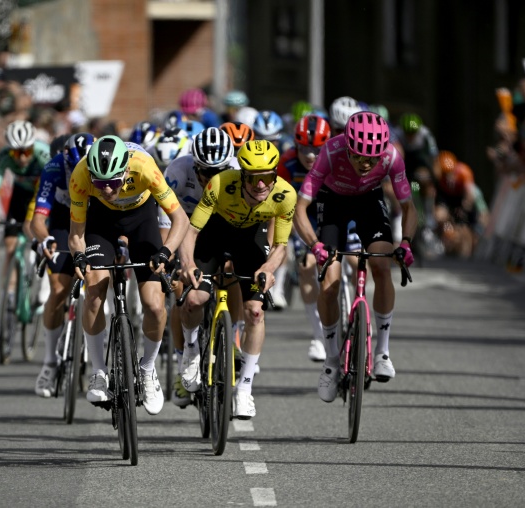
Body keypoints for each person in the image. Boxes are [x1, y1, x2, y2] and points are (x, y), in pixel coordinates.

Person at [292, 111, 417, 402]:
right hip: (333, 203)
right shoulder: (331, 151)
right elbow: (300, 208)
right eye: (359, 156)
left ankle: (382, 351)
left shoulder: (391, 157)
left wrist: (407, 243)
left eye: (372, 159)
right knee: (329, 282)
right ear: (347, 147)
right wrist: (315, 245)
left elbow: (409, 207)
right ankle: (332, 362)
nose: (365, 164)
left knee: (382, 266)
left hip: (369, 202)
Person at [68, 135, 190, 416]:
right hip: (102, 220)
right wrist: (79, 255)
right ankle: (98, 371)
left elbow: (180, 219)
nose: (107, 188)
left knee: (154, 304)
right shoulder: (81, 174)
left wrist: (166, 252)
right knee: (95, 290)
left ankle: (147, 371)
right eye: (100, 183)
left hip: (141, 217)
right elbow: (76, 234)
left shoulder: (145, 167)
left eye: (113, 181)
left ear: (125, 170)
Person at [178, 140, 297, 419]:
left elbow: (281, 246)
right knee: (195, 298)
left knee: (255, 311)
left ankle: (244, 389)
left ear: (275, 175)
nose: (260, 186)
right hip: (214, 235)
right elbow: (192, 232)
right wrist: (187, 265)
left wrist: (268, 267)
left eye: (267, 177)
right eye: (253, 178)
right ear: (242, 174)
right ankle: (191, 350)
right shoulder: (220, 184)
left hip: (250, 241)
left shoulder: (285, 195)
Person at [159, 126, 240, 407]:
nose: (211, 179)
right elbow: (165, 221)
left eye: (219, 172)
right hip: (184, 224)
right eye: (205, 172)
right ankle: (185, 357)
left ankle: (235, 337)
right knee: (182, 290)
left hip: (223, 224)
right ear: (195, 165)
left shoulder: (238, 171)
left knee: (234, 274)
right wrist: (169, 257)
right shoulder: (178, 171)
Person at [28, 133, 94, 397]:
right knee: (57, 291)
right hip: (61, 221)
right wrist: (45, 240)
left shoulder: (100, 166)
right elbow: (38, 220)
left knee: (97, 282)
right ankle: (49, 363)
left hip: (92, 222)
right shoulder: (54, 167)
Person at [0, 120, 51, 338]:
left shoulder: (43, 155)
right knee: (11, 247)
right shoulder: (4, 156)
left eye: (26, 151)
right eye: (17, 153)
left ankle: (42, 284)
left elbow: (50, 186)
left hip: (41, 196)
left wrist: (35, 220)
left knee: (40, 240)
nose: (22, 157)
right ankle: (7, 309)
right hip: (20, 196)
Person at [275, 115, 332, 360]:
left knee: (350, 262)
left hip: (330, 215)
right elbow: (280, 207)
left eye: (316, 150)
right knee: (307, 266)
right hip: (301, 218)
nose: (310, 156)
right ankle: (319, 335)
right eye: (304, 149)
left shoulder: (334, 161)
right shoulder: (286, 165)